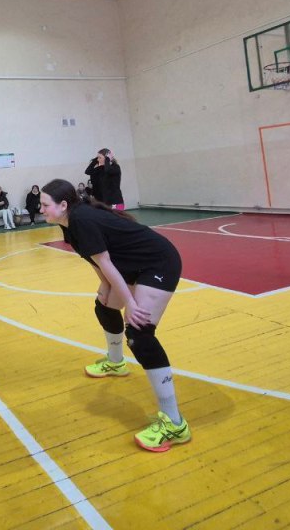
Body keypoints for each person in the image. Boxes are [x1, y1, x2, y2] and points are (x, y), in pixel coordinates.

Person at [40, 178, 190, 452]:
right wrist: (105, 287)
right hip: (130, 265)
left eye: (44, 205)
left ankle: (174, 424)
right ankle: (116, 362)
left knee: (140, 333)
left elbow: (106, 261)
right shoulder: (68, 224)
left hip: (157, 262)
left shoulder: (82, 220)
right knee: (105, 306)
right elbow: (95, 260)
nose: (41, 210)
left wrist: (130, 303)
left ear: (63, 205)